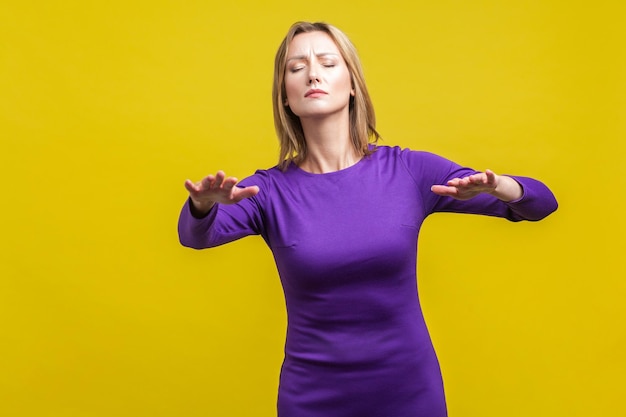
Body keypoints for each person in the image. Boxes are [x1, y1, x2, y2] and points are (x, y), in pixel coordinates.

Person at [178, 21, 558, 417]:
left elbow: (541, 204)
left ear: (353, 83)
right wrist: (203, 206)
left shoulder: (408, 171)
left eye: (327, 62)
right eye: (296, 68)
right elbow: (195, 236)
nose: (312, 73)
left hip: (410, 391)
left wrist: (499, 187)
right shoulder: (267, 192)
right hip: (312, 398)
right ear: (285, 97)